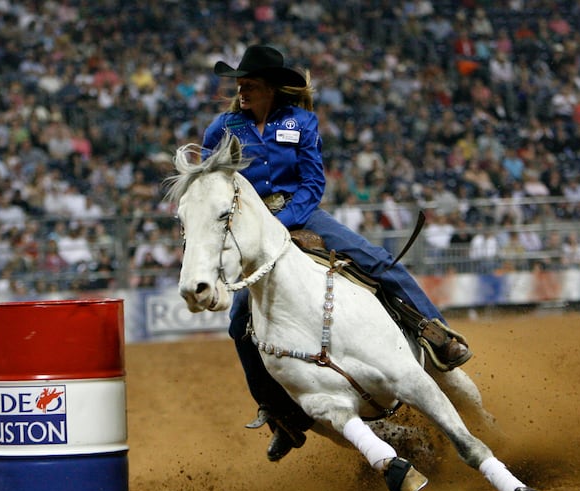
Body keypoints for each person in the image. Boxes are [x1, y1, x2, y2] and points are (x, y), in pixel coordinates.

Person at [201, 45, 472, 462]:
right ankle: (279, 412)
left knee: (376, 261)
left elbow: (312, 183)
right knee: (240, 321)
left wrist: (285, 222)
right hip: (254, 231)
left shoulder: (301, 122)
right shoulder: (221, 129)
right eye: (239, 86)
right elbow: (209, 188)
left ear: (271, 88)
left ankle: (435, 332)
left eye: (249, 85)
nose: (242, 92)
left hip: (303, 214)